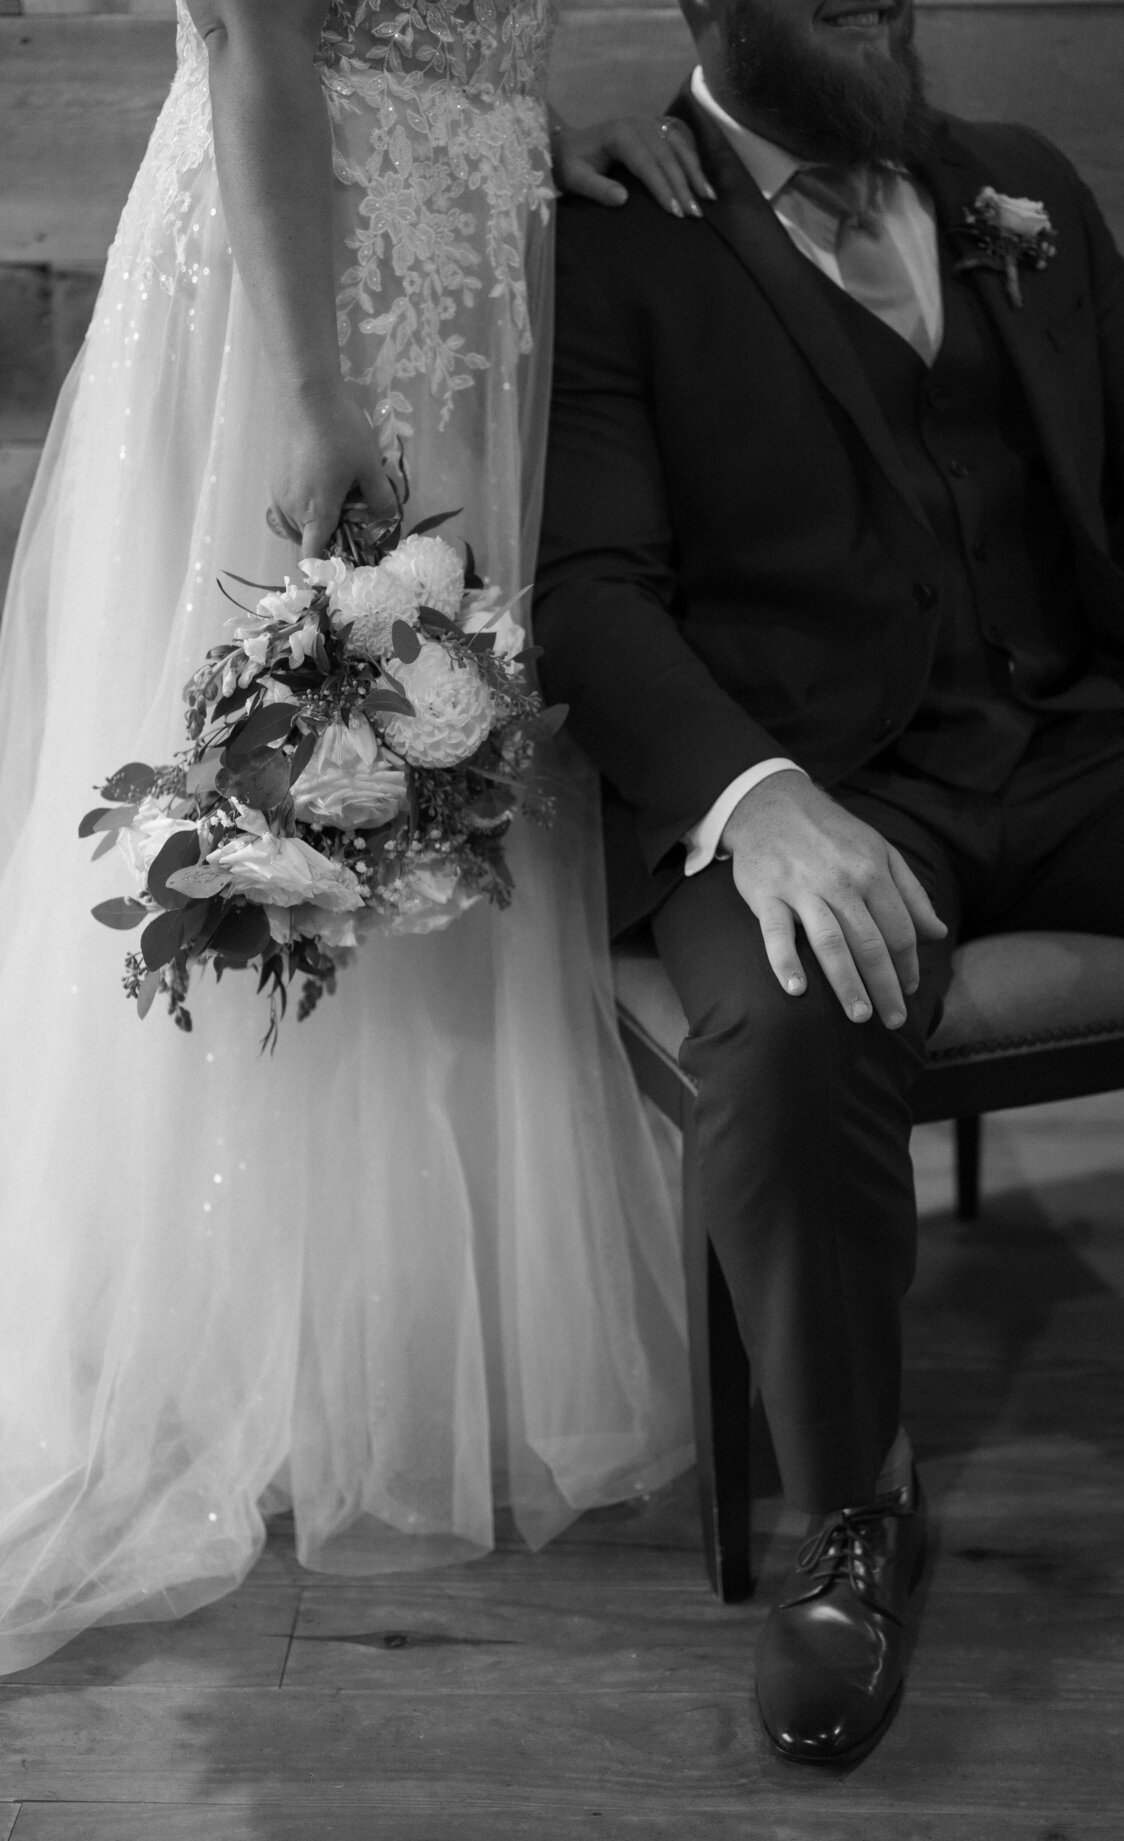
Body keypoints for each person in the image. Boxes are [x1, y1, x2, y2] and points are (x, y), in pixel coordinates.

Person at [0, 0, 713, 1676]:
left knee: (442, 773)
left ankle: (405, 1342)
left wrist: (538, 136)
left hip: (470, 269)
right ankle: (218, 1339)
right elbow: (256, 37)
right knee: (294, 760)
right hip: (296, 295)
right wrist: (313, 389)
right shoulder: (302, 349)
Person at [535, 0, 1124, 1766]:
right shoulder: (605, 245)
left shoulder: (1018, 183)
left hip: (1063, 737)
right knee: (796, 1010)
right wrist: (753, 799)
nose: (877, 11)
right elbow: (589, 586)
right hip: (810, 780)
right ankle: (855, 1512)